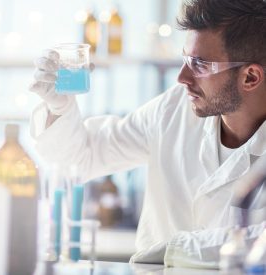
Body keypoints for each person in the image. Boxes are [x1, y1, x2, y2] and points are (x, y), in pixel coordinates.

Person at [29, 0, 266, 269]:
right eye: (185, 58)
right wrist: (58, 107)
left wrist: (174, 249)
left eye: (199, 65)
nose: (182, 77)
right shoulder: (173, 109)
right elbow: (81, 157)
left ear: (250, 77)